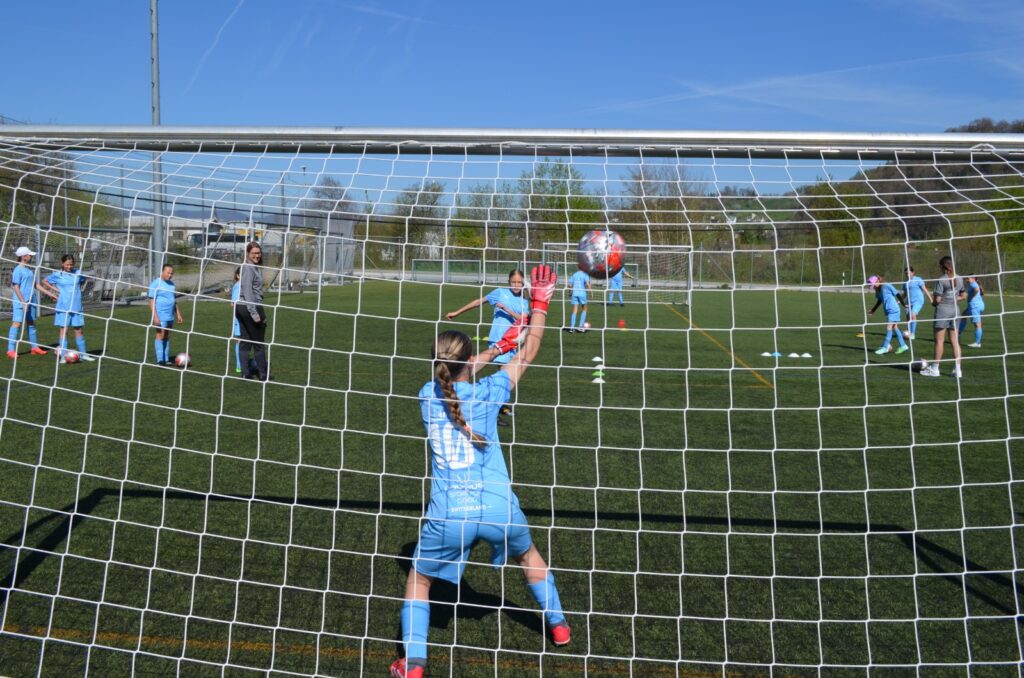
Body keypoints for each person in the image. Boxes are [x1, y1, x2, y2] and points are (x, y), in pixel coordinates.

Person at [390, 266, 569, 678]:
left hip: (449, 513)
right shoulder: (492, 392)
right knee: (529, 556)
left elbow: (458, 375)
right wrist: (539, 305)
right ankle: (559, 626)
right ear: (468, 361)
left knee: (419, 580)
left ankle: (413, 664)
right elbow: (528, 352)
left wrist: (491, 350)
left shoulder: (427, 396)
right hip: (497, 508)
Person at [445, 269, 529, 365]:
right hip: (498, 337)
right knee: (504, 369)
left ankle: (465, 368)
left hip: (512, 340)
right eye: (513, 282)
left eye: (519, 282)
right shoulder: (500, 292)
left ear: (523, 283)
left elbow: (523, 320)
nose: (516, 285)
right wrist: (457, 312)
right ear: (508, 282)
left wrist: (507, 310)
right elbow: (478, 302)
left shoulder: (524, 301)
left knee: (506, 371)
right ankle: (463, 369)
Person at [40, 254, 95, 363]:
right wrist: (56, 290)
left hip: (77, 306)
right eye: (67, 264)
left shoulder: (78, 273)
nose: (69, 267)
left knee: (79, 330)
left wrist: (79, 290)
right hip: (63, 306)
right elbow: (44, 281)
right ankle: (63, 356)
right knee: (64, 330)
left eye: (71, 264)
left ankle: (84, 354)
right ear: (62, 264)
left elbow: (83, 280)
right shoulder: (57, 274)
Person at [921, 256, 965, 378]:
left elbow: (937, 300)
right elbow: (963, 295)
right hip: (955, 311)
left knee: (939, 341)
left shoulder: (941, 279)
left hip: (943, 312)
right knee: (955, 341)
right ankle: (958, 370)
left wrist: (933, 303)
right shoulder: (960, 278)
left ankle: (935, 368)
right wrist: (953, 299)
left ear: (942, 266)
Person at [6, 246, 49, 359]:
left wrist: (50, 294)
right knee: (17, 323)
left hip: (31, 300)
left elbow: (36, 285)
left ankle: (34, 347)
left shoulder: (29, 270)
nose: (31, 257)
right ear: (23, 257)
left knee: (31, 323)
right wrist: (23, 302)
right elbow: (15, 287)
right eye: (29, 255)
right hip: (20, 301)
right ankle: (10, 350)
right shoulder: (17, 270)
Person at [235, 242, 269, 380]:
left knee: (245, 341)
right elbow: (247, 290)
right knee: (259, 343)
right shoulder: (248, 268)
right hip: (249, 306)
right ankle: (263, 374)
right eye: (254, 253)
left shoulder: (251, 267)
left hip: (241, 307)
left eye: (258, 253)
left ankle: (245, 373)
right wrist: (254, 313)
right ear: (247, 254)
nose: (257, 255)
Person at [148, 264, 185, 366]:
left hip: (170, 315)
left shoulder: (172, 284)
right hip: (160, 314)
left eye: (171, 273)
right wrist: (155, 317)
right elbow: (151, 301)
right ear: (162, 272)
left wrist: (178, 314)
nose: (170, 275)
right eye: (168, 273)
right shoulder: (155, 284)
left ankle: (166, 358)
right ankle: (160, 360)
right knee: (160, 335)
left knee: (167, 336)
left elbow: (173, 300)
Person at [867, 275, 909, 355]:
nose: (873, 287)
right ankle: (903, 346)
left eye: (873, 285)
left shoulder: (887, 285)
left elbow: (897, 294)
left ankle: (885, 347)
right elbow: (880, 300)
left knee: (889, 327)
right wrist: (873, 310)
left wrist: (904, 304)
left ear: (878, 281)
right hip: (888, 311)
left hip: (894, 310)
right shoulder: (878, 290)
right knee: (894, 328)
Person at [901, 266, 928, 340]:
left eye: (909, 273)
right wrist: (899, 301)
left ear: (913, 273)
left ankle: (912, 334)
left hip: (918, 300)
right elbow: (905, 294)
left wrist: (931, 299)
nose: (907, 275)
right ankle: (909, 332)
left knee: (913, 315)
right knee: (908, 317)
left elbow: (924, 289)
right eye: (906, 273)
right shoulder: (905, 283)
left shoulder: (918, 279)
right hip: (909, 302)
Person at [958, 274, 985, 348]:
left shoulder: (973, 283)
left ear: (973, 278)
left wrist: (971, 297)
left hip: (974, 307)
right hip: (978, 305)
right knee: (964, 315)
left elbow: (976, 290)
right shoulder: (975, 284)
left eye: (968, 278)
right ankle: (958, 333)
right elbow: (981, 293)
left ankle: (978, 343)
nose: (967, 279)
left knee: (977, 325)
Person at [567, 267, 591, 333]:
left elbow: (570, 285)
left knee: (574, 310)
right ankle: (580, 327)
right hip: (582, 293)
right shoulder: (585, 274)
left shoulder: (575, 274)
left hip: (575, 293)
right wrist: (591, 292)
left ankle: (571, 328)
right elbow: (587, 283)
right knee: (584, 309)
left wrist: (569, 292)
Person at [230, 267, 244, 374]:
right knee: (240, 341)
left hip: (245, 318)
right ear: (238, 275)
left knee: (245, 341)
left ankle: (243, 363)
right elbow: (233, 304)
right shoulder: (238, 286)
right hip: (240, 318)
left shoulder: (244, 286)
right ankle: (239, 366)